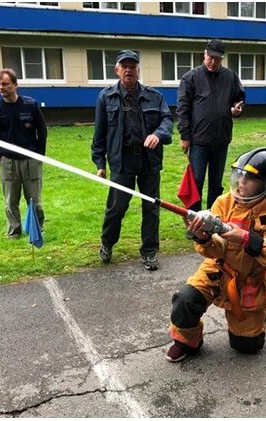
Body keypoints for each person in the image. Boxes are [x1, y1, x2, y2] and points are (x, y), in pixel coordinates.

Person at [166, 147, 266, 362]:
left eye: (250, 178)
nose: (241, 182)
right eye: (239, 175)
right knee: (184, 301)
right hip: (217, 268)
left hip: (249, 279)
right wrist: (203, 236)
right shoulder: (223, 202)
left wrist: (243, 237)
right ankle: (187, 341)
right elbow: (215, 249)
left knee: (247, 346)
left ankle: (258, 315)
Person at [92, 50, 173, 271]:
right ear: (117, 70)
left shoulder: (154, 96)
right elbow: (99, 135)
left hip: (149, 161)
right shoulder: (106, 97)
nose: (129, 70)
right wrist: (100, 164)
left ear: (138, 70)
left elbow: (167, 120)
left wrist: (158, 134)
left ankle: (149, 252)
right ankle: (107, 244)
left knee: (151, 207)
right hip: (122, 161)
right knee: (116, 207)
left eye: (133, 66)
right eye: (124, 66)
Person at [176, 38, 245, 212]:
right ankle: (195, 220)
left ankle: (214, 218)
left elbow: (239, 97)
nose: (213, 62)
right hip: (198, 141)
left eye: (217, 59)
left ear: (222, 59)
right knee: (196, 181)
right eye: (210, 58)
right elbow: (182, 109)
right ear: (204, 54)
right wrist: (185, 136)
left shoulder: (230, 76)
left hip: (221, 140)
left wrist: (238, 108)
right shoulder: (191, 78)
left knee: (216, 183)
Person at [0, 68, 47, 239]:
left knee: (34, 200)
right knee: (10, 201)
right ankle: (14, 231)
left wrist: (39, 155)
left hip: (30, 160)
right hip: (8, 162)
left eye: (5, 84)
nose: (1, 88)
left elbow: (42, 132)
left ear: (15, 85)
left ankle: (37, 230)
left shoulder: (31, 105)